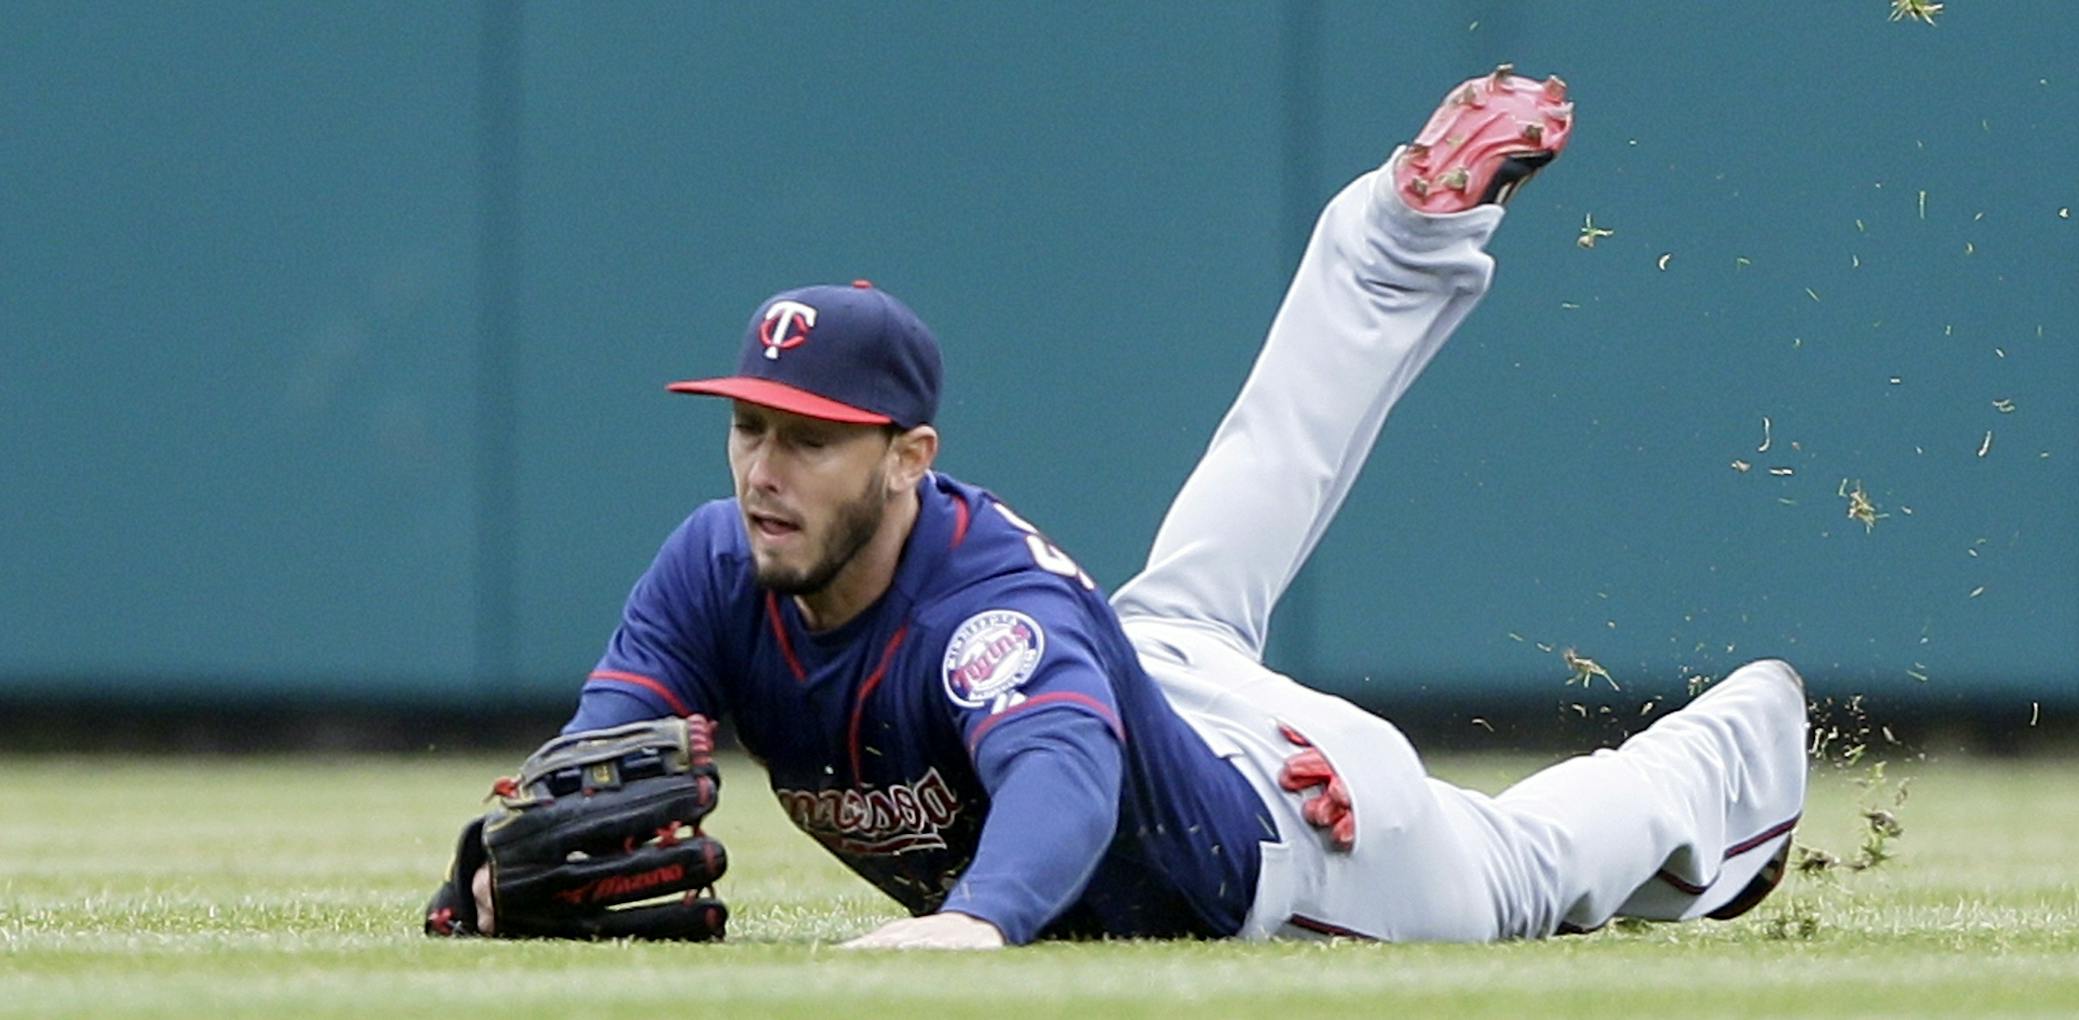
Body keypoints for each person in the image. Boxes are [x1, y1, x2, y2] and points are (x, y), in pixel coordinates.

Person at [463, 66, 1808, 948]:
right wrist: (499, 861)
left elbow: (1062, 784)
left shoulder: (993, 625)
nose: (763, 469)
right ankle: (1395, 243)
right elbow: (607, 759)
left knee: (1519, 875)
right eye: (750, 427)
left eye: (810, 441)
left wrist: (978, 924)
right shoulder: (723, 558)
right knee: (1200, 569)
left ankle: (1727, 765)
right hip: (1144, 663)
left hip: (1280, 830)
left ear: (908, 457)